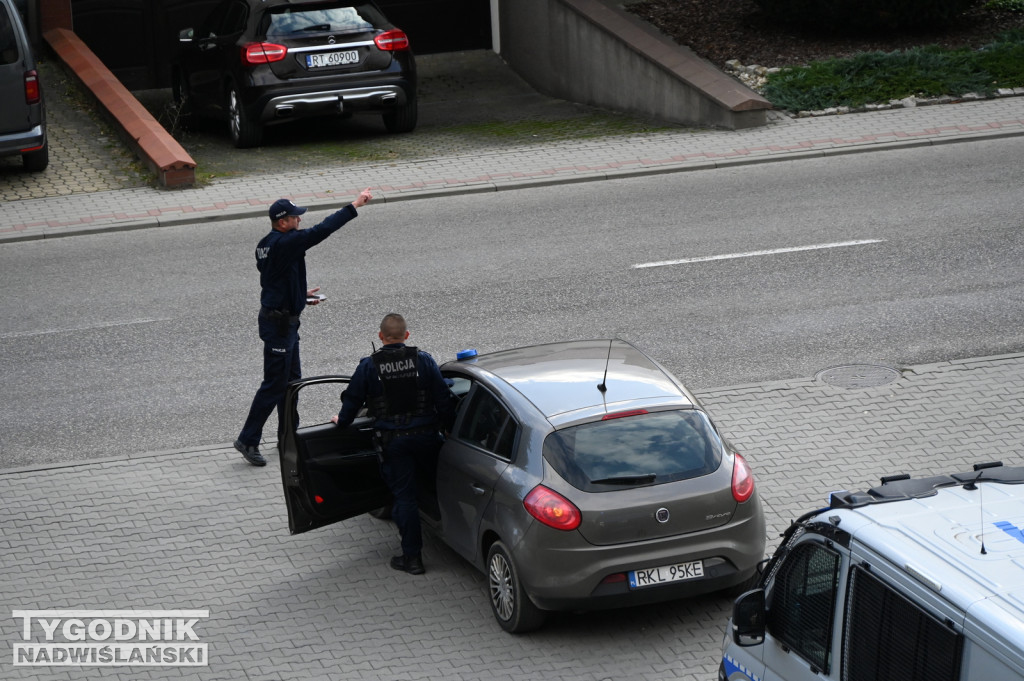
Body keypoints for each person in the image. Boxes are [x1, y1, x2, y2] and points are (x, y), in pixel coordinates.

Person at [234, 188, 373, 467]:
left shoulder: (267, 243)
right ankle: (248, 440)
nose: (300, 221)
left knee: (292, 383)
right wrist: (355, 205)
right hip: (279, 326)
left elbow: (274, 279)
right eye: (295, 218)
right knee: (275, 385)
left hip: (284, 319)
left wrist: (299, 294)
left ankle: (287, 436)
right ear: (282, 221)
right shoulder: (287, 242)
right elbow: (322, 230)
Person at [331, 313, 454, 575]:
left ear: (381, 337)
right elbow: (443, 398)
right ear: (407, 336)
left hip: (395, 443)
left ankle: (412, 559)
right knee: (438, 486)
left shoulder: (369, 366)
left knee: (405, 498)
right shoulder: (423, 359)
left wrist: (341, 421)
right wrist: (450, 428)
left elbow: (352, 400)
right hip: (428, 439)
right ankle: (455, 540)